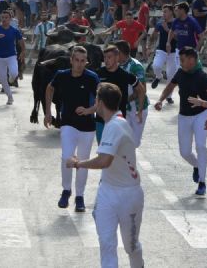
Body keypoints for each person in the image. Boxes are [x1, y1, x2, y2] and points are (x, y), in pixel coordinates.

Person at [65, 82, 144, 268]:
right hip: (107, 192)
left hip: (129, 195)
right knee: (107, 244)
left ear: (99, 103)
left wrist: (77, 164)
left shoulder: (115, 126)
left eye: (96, 100)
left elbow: (104, 161)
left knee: (131, 247)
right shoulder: (114, 123)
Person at [155, 47, 207, 196]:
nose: (180, 63)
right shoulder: (180, 73)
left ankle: (202, 182)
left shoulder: (204, 77)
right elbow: (169, 87)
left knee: (201, 146)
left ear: (192, 60)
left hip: (202, 114)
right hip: (184, 116)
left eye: (182, 60)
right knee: (184, 152)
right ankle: (197, 166)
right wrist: (160, 100)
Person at [44, 46, 100, 212]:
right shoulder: (62, 75)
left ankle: (80, 196)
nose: (79, 64)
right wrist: (48, 112)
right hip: (68, 123)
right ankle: (66, 190)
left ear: (86, 62)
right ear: (71, 60)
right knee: (66, 157)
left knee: (82, 162)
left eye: (83, 61)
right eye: (76, 60)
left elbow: (100, 100)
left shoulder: (92, 78)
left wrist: (88, 110)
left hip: (88, 127)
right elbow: (49, 88)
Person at [94, 46, 145, 145]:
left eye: (109, 57)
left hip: (118, 121)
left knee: (116, 153)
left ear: (117, 58)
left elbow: (141, 90)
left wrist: (140, 110)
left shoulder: (125, 75)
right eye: (105, 58)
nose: (106, 60)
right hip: (100, 121)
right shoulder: (98, 74)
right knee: (102, 150)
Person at [115, 41, 150, 147]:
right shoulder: (116, 66)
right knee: (123, 139)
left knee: (134, 142)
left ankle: (129, 162)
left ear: (120, 53)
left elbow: (142, 90)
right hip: (124, 109)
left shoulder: (136, 66)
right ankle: (125, 163)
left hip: (137, 109)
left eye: (115, 53)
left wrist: (138, 111)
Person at [0, 11, 26, 105]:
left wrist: (23, 51)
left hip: (11, 56)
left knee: (14, 73)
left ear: (10, 19)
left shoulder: (14, 30)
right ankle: (10, 97)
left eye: (6, 18)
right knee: (2, 79)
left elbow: (21, 41)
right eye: (2, 17)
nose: (4, 19)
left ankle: (11, 79)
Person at [148, 5, 178, 95]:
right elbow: (153, 35)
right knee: (156, 66)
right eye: (163, 11)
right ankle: (159, 76)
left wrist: (167, 29)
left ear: (171, 12)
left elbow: (178, 38)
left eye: (165, 11)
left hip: (173, 52)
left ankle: (169, 96)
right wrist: (149, 47)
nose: (163, 13)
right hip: (161, 50)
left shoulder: (176, 23)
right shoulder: (160, 23)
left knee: (170, 76)